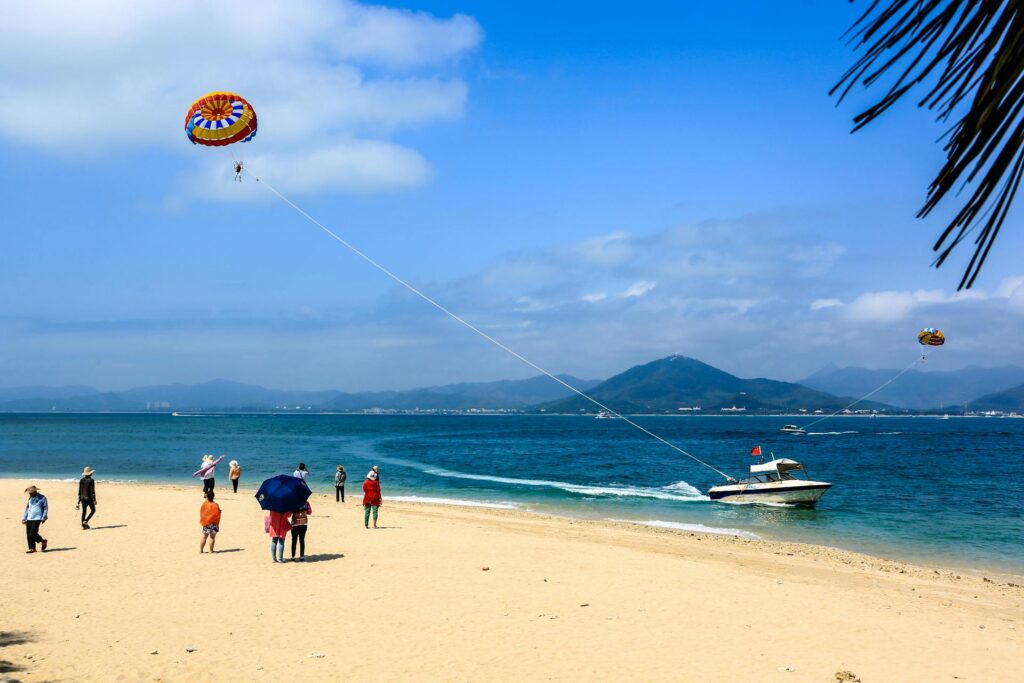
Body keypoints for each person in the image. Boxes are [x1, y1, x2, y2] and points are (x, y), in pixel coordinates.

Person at [22, 485, 48, 553]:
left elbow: (45, 507)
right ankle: (32, 548)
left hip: (38, 518)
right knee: (28, 534)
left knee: (32, 533)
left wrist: (44, 517)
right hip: (29, 518)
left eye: (31, 492)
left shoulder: (42, 497)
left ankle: (43, 541)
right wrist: (24, 518)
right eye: (29, 492)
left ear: (35, 491)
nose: (29, 493)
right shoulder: (30, 498)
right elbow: (27, 508)